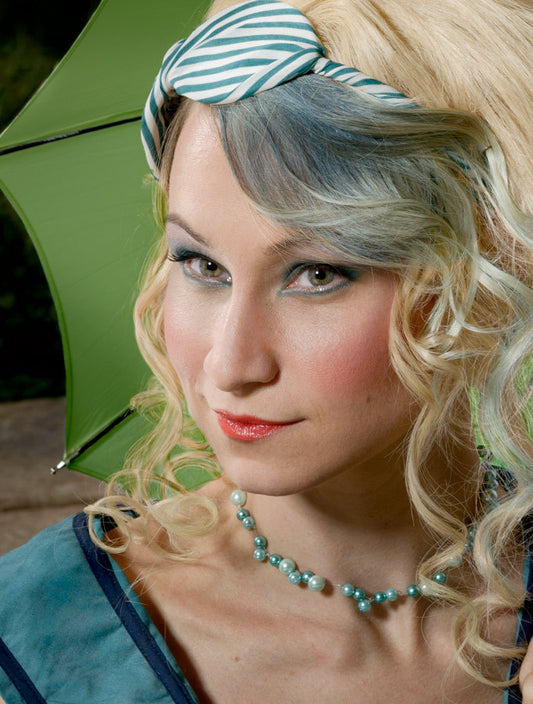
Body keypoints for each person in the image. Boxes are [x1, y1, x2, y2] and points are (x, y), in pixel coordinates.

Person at [1, 0, 533, 702]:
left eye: (318, 274)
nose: (230, 365)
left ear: (487, 274)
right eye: (201, 264)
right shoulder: (31, 643)